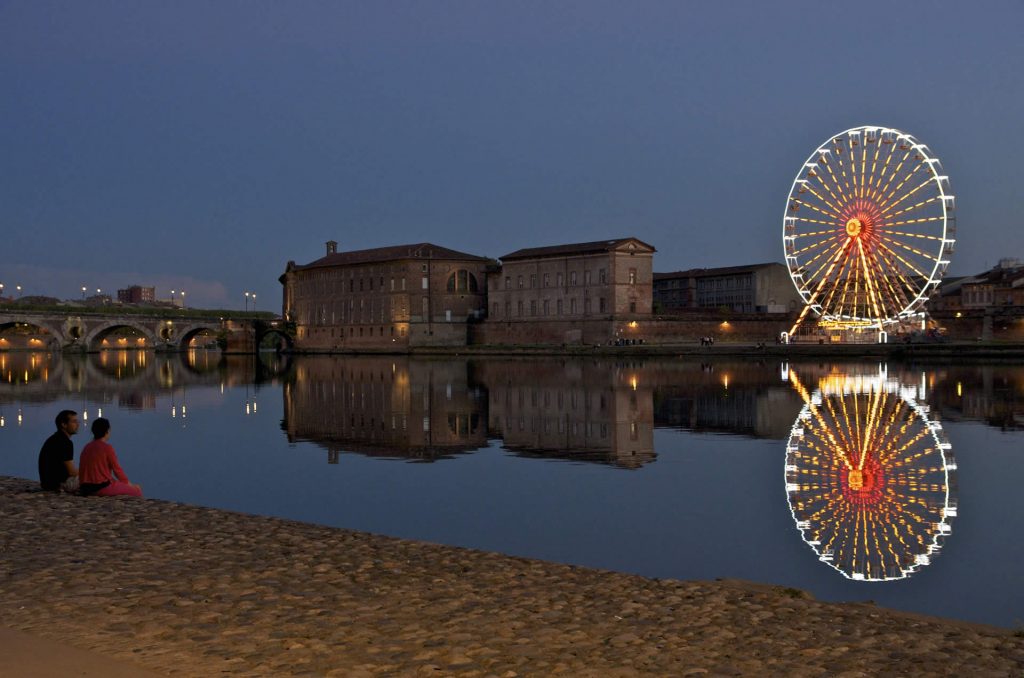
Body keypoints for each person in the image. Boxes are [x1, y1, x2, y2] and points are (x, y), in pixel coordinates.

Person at [78, 418, 143, 497]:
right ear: (107, 431)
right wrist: (130, 485)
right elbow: (117, 470)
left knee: (117, 484)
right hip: (100, 487)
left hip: (85, 487)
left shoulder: (87, 447)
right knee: (137, 491)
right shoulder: (107, 448)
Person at [38, 410, 81, 492]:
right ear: (64, 424)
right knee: (92, 478)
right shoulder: (65, 442)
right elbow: (71, 472)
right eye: (74, 422)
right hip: (58, 485)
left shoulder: (54, 439)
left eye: (77, 421)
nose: (77, 424)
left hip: (46, 484)